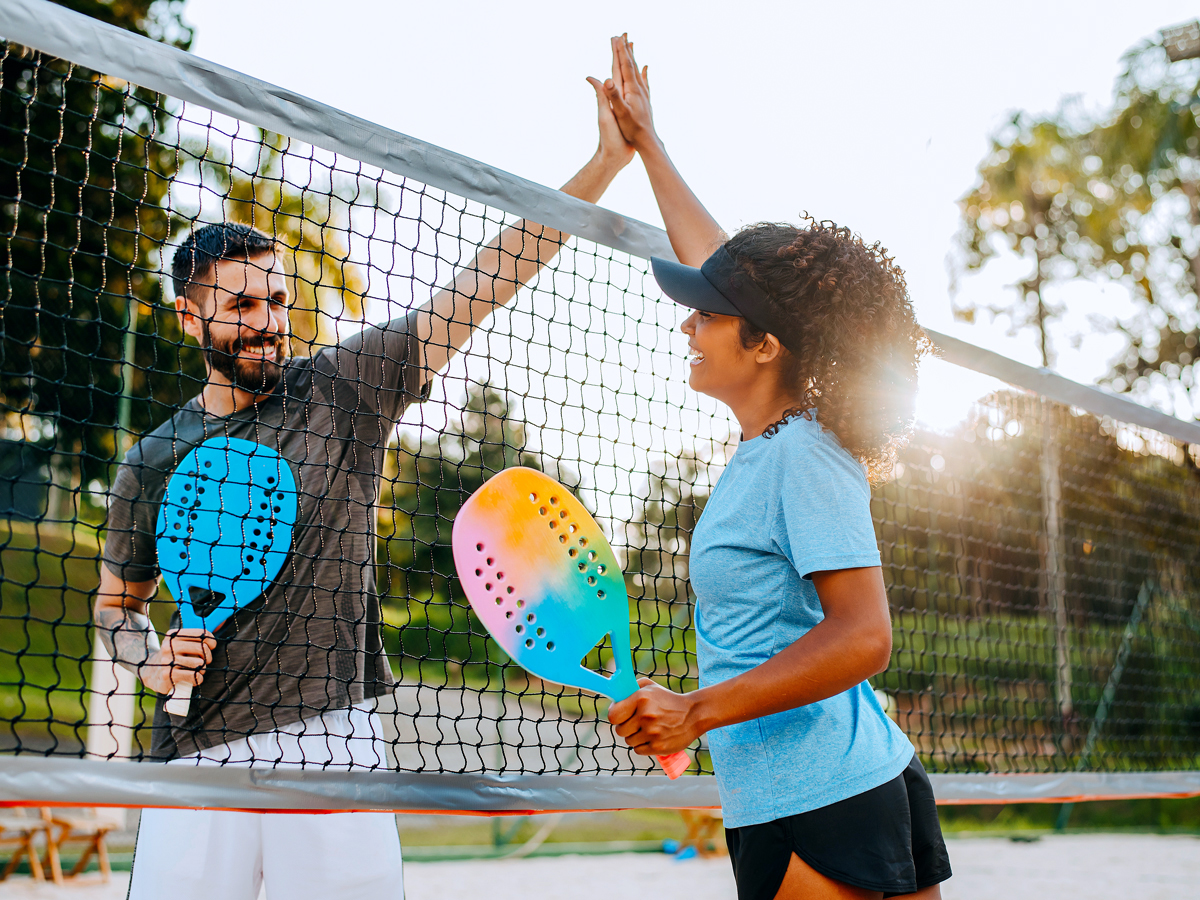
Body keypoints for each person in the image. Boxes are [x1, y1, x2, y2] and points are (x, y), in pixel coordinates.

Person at [94, 78, 636, 900]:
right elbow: (115, 609)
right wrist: (152, 661)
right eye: (241, 305)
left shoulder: (344, 388)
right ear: (188, 319)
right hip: (196, 757)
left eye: (278, 298)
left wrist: (603, 165)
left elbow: (482, 284)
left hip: (333, 742)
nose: (269, 319)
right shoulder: (152, 460)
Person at [597, 35, 953, 900]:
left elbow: (865, 635)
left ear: (762, 344)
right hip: (838, 784)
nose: (687, 324)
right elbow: (730, 269)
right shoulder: (777, 440)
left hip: (817, 803)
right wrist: (649, 145)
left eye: (706, 315)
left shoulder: (801, 454)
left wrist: (698, 710)